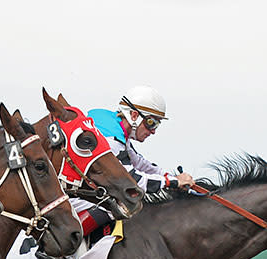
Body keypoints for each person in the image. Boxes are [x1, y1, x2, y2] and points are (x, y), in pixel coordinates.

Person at [76, 85, 194, 236]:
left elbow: (139, 163)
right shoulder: (111, 139)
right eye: (151, 123)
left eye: (157, 124)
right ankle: (70, 244)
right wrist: (172, 182)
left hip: (85, 190)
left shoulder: (117, 129)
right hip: (73, 195)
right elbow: (133, 180)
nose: (153, 131)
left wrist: (170, 177)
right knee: (118, 206)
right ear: (133, 115)